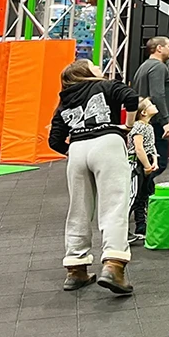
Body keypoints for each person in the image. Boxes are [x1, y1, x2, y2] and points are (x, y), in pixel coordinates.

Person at [48, 59, 141, 295]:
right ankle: (113, 266)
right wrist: (128, 126)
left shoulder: (65, 99)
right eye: (94, 66)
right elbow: (131, 97)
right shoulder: (106, 85)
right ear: (87, 72)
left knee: (78, 210)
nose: (99, 68)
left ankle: (76, 269)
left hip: (78, 148)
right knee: (114, 206)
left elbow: (55, 140)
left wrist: (72, 150)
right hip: (108, 143)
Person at [132, 37, 169, 178]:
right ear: (159, 48)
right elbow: (157, 95)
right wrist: (165, 122)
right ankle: (138, 190)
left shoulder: (143, 67)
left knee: (147, 163)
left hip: (146, 121)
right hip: (155, 123)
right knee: (157, 164)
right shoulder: (158, 67)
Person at [127, 98, 159, 244]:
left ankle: (141, 226)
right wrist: (147, 166)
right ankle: (121, 231)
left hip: (146, 163)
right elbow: (139, 148)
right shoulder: (139, 127)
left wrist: (154, 161)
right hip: (136, 164)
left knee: (143, 195)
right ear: (144, 112)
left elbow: (151, 146)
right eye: (151, 105)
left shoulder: (148, 126)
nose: (154, 105)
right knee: (132, 197)